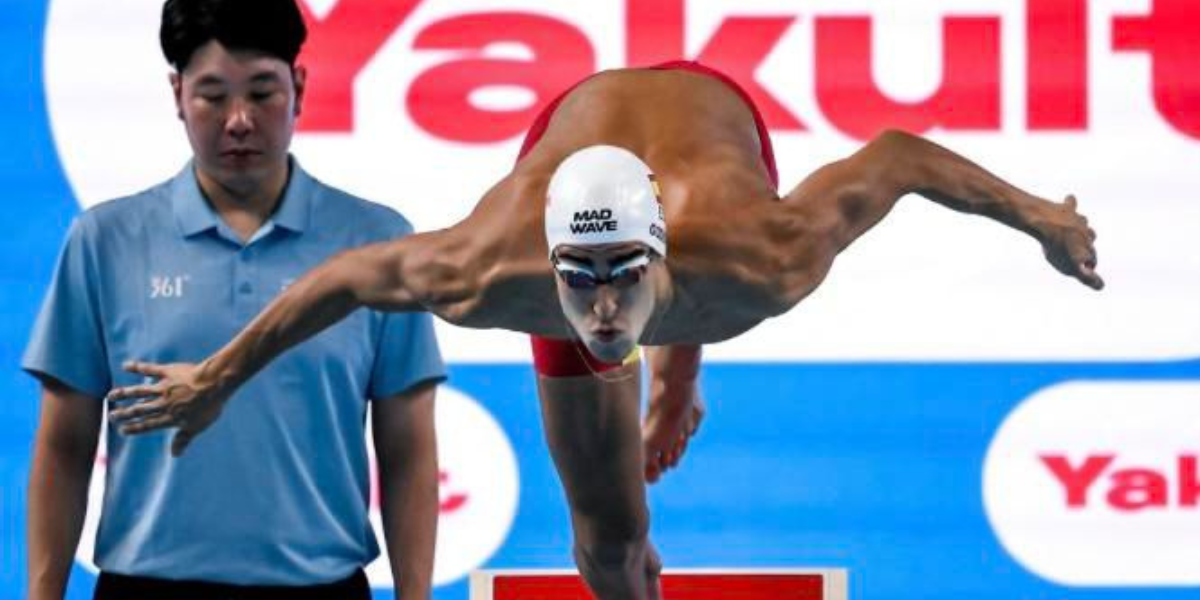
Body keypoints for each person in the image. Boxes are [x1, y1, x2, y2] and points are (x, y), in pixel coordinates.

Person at [107, 61, 1102, 600]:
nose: (602, 311)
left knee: (679, 324)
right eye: (579, 282)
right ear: (551, 263)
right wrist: (220, 377)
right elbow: (340, 279)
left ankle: (679, 370)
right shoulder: (492, 271)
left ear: (660, 250)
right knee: (610, 544)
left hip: (715, 126)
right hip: (570, 130)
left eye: (623, 278)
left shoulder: (771, 254)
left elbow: (900, 155)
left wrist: (1044, 219)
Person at [23, 1, 446, 598]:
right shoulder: (105, 241)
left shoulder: (377, 242)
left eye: (262, 92)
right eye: (213, 95)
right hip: (144, 585)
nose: (239, 120)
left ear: (298, 87)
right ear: (177, 95)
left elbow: (407, 447)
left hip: (322, 585)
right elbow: (64, 446)